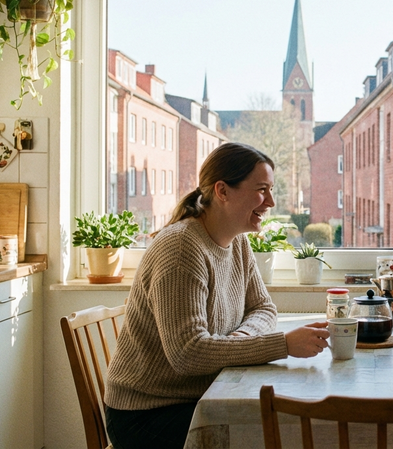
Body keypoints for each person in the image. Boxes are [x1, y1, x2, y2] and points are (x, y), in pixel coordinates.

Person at [104, 142, 330, 449]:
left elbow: (264, 308)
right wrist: (283, 344)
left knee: (286, 425)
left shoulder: (237, 242)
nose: (271, 201)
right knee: (278, 431)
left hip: (199, 395)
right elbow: (187, 353)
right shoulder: (182, 249)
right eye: (262, 189)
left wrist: (242, 338)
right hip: (148, 414)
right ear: (222, 191)